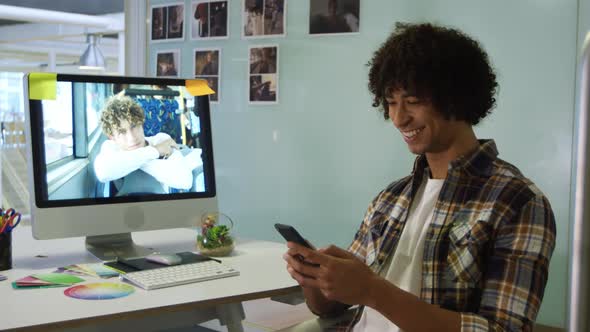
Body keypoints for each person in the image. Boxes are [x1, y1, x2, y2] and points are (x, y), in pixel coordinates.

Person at [283, 22, 556, 331]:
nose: (398, 118)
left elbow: (503, 329)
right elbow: (329, 308)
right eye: (391, 102)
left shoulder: (517, 201)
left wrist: (373, 290)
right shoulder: (391, 198)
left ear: (457, 97)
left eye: (413, 101)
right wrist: (315, 277)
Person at [94, 96, 202, 196]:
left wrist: (134, 160)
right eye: (122, 132)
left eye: (134, 126)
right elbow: (103, 173)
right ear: (112, 137)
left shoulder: (161, 139)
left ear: (141, 123)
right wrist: (155, 151)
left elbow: (184, 181)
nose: (132, 137)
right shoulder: (111, 147)